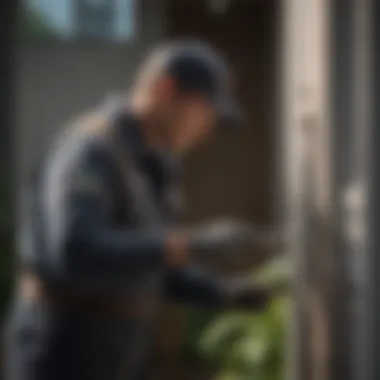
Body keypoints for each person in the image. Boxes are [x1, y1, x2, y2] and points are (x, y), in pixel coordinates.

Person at [5, 40, 278, 380]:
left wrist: (222, 292)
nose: (208, 129)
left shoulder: (155, 164)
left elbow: (147, 264)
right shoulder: (92, 150)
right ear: (164, 90)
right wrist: (193, 243)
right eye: (205, 110)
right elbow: (75, 249)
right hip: (62, 353)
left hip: (113, 356)